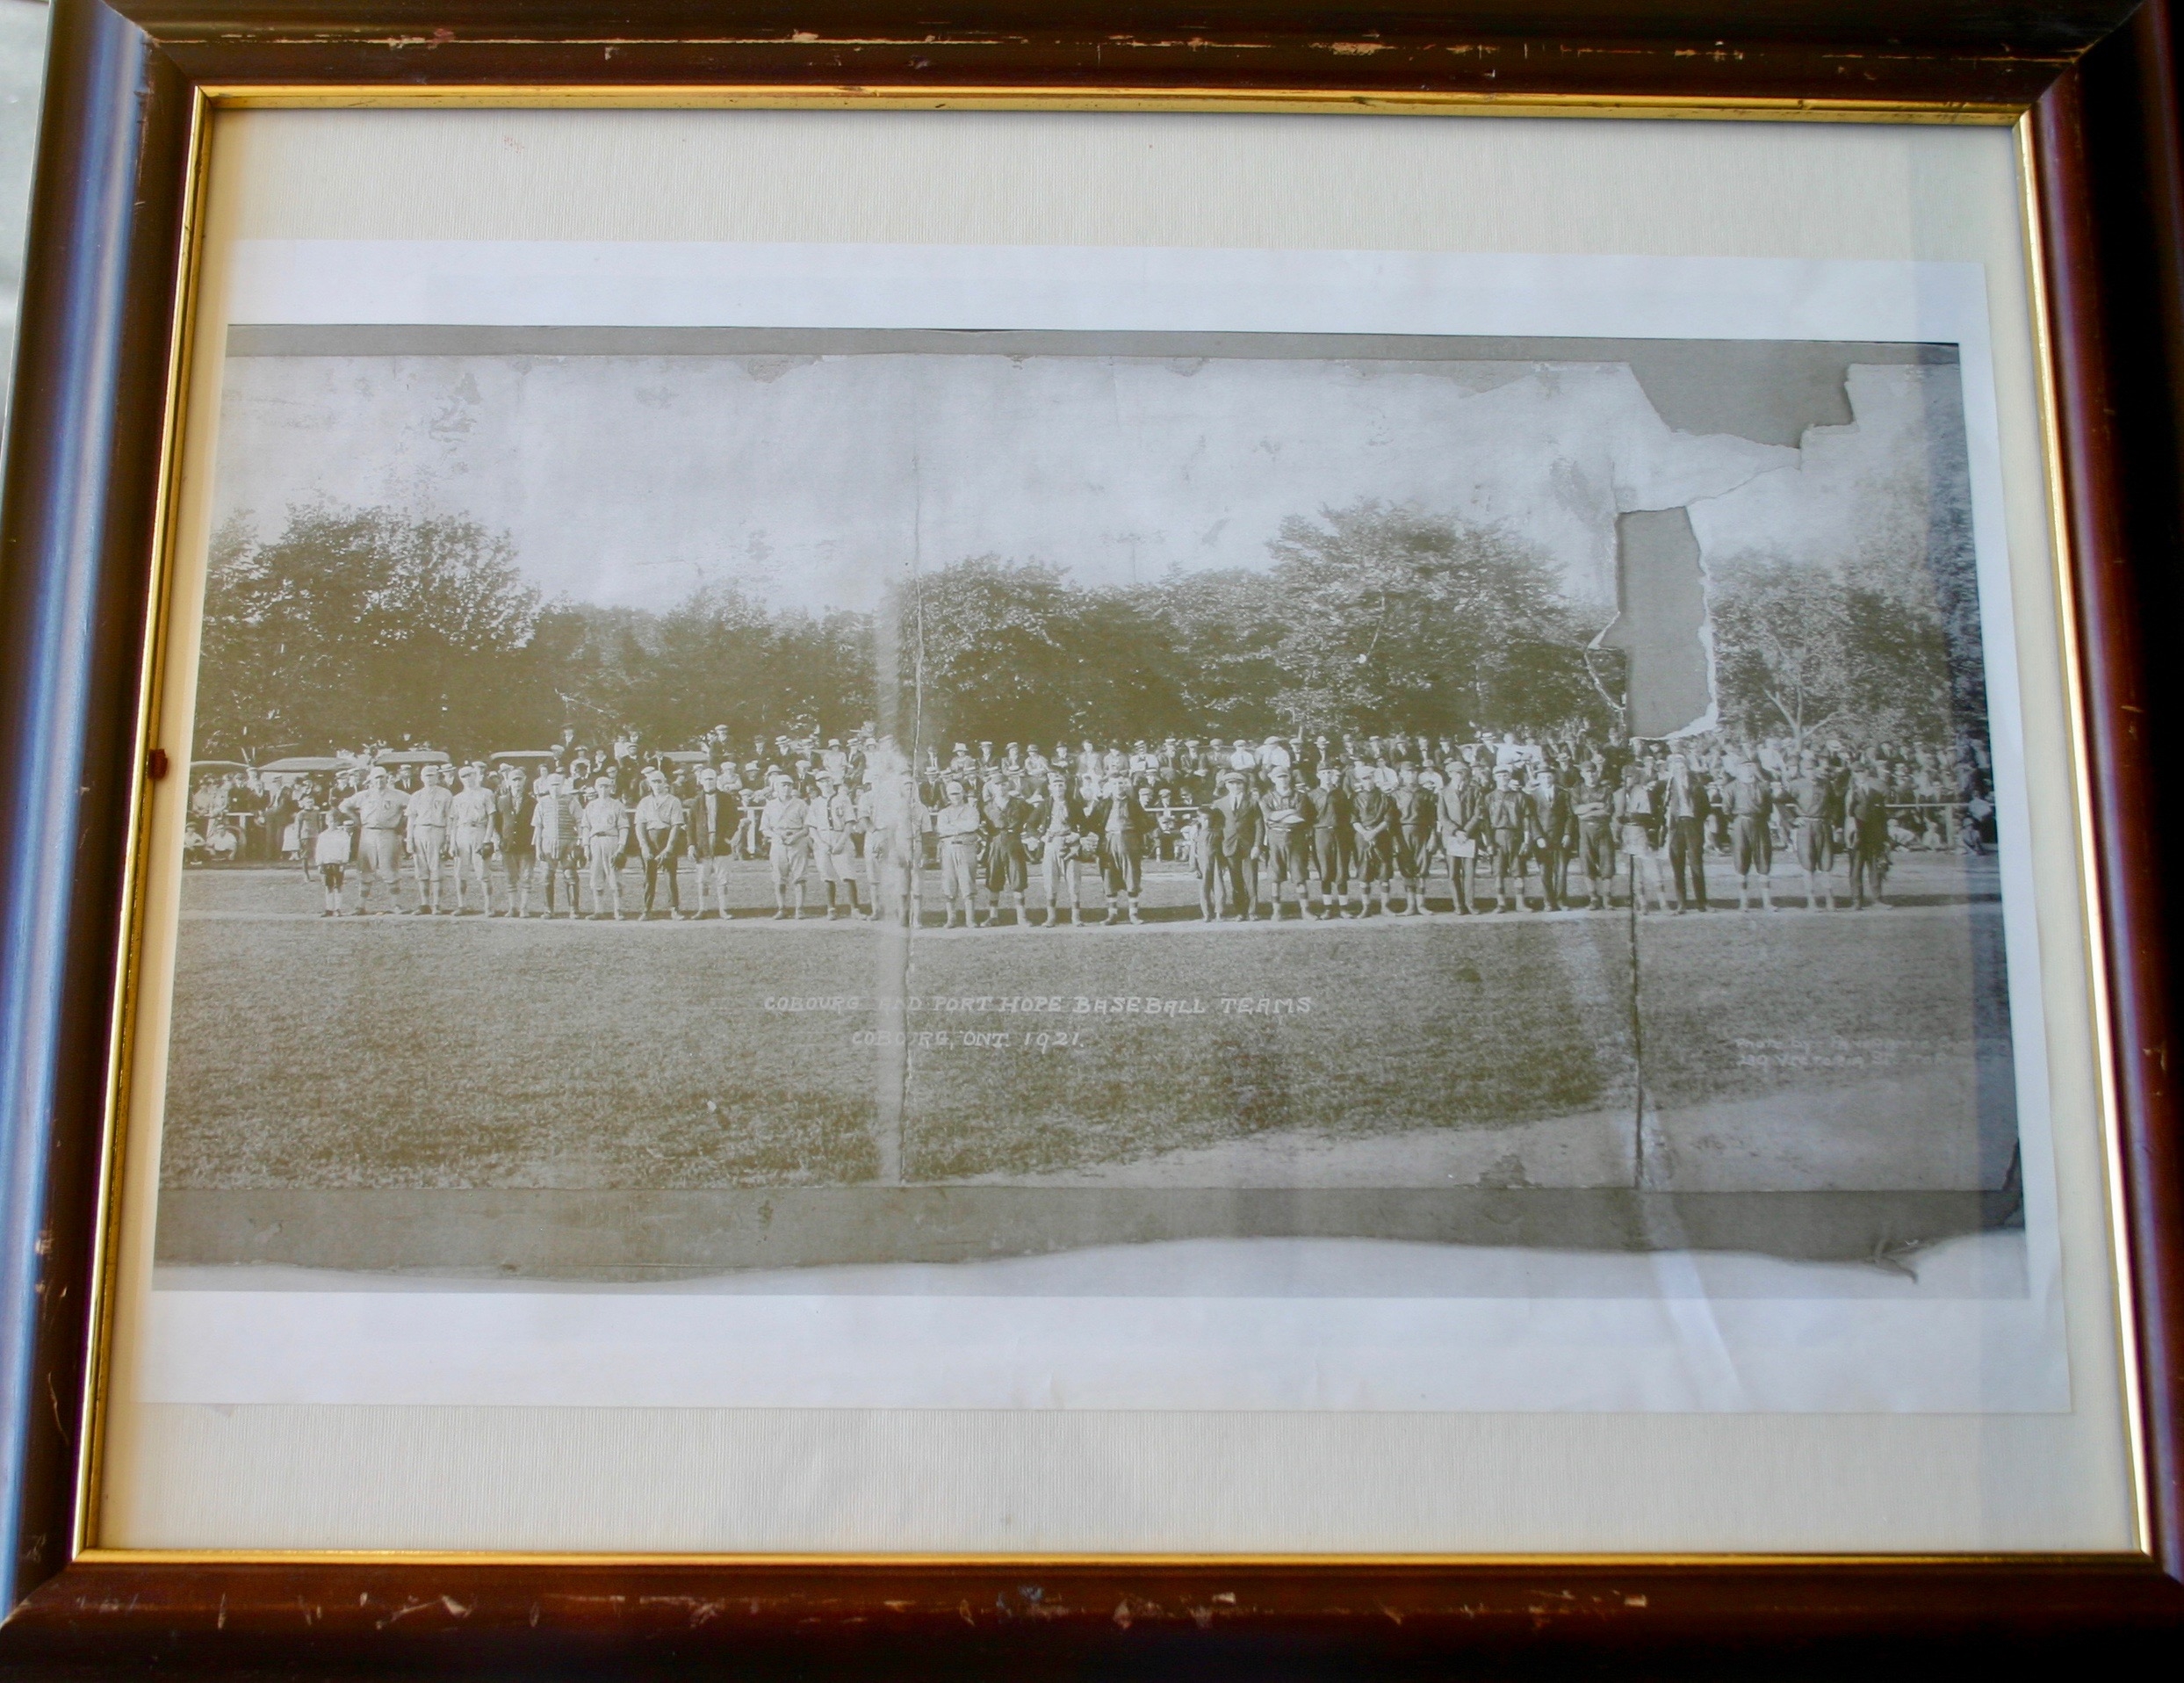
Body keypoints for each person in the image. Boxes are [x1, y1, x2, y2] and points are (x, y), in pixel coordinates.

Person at [336, 768, 406, 915]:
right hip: (368, 833)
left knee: (390, 868)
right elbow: (343, 806)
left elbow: (413, 806)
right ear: (371, 780)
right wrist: (356, 820)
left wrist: (402, 822)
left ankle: (396, 905)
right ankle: (360, 906)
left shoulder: (397, 795)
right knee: (365, 869)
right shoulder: (364, 795)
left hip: (388, 833)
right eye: (376, 778)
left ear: (387, 778)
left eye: (382, 778)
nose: (379, 781)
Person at [1089, 773, 1153, 923]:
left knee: (1132, 876)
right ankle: (1112, 914)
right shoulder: (1103, 804)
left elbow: (1147, 823)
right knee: (1109, 876)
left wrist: (1138, 837)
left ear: (1125, 786)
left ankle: (1133, 914)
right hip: (1109, 841)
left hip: (1129, 840)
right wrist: (1099, 836)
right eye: (1115, 784)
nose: (1118, 787)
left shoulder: (1133, 804)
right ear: (1110, 787)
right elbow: (1090, 823)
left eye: (1121, 783)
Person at [1030, 771, 1085, 927]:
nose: (1059, 788)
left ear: (1066, 787)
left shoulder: (1074, 804)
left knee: (1074, 882)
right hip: (1051, 843)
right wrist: (1041, 837)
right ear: (1050, 788)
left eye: (1061, 785)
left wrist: (1077, 835)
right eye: (1055, 785)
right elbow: (1030, 825)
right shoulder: (1045, 804)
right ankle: (1051, 917)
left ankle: (1076, 916)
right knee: (1050, 882)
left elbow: (1085, 824)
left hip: (1070, 843)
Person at [1782, 756, 1838, 911]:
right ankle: (1811, 901)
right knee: (1808, 864)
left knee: (1826, 864)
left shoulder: (1825, 784)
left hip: (1823, 825)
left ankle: (1829, 900)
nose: (1811, 772)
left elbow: (1835, 803)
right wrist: (1793, 819)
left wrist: (1832, 818)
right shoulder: (1796, 784)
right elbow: (1781, 802)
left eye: (1813, 768)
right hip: (1806, 827)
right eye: (1807, 769)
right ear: (1801, 770)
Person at [1258, 766, 1315, 920]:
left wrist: (1279, 817)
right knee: (1275, 876)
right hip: (1275, 838)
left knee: (1299, 874)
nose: (1282, 780)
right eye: (1279, 777)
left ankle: (1305, 909)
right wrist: (1291, 811)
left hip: (1296, 837)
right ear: (1273, 779)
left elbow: (1301, 817)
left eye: (1285, 777)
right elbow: (1269, 816)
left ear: (1289, 778)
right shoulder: (1267, 798)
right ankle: (1276, 910)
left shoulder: (1300, 797)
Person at [632, 766, 688, 920]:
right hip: (650, 839)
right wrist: (644, 846)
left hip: (666, 837)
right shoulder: (644, 802)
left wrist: (669, 847)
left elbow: (676, 825)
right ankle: (646, 909)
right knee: (649, 877)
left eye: (659, 781)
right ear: (649, 784)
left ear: (665, 783)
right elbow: (640, 825)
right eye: (653, 782)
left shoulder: (673, 801)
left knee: (670, 876)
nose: (656, 785)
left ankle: (675, 909)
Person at [1613, 763, 1669, 915]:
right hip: (1626, 835)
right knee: (1633, 871)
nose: (1627, 780)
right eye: (1624, 777)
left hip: (1642, 833)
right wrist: (1616, 835)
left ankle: (1663, 903)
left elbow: (1648, 815)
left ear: (1636, 778)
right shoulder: (1617, 794)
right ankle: (1642, 903)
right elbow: (1615, 818)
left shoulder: (1644, 793)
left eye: (1630, 777)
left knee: (1653, 869)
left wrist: (1633, 817)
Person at [1208, 769, 1263, 921]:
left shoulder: (1252, 802)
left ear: (1244, 785)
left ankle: (1252, 911)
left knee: (1251, 879)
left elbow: (1259, 825)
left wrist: (1257, 845)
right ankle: (1240, 911)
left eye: (1238, 783)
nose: (1235, 786)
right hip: (1229, 846)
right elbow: (1215, 826)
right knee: (1236, 880)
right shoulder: (1219, 803)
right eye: (1231, 783)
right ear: (1226, 785)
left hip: (1248, 846)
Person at [760, 770, 815, 920]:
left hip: (797, 841)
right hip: (778, 842)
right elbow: (764, 828)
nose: (787, 788)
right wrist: (777, 836)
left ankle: (800, 908)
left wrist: (796, 836)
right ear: (776, 787)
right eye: (783, 785)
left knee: (800, 876)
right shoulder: (770, 805)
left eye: (790, 785)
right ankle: (781, 908)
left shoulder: (800, 804)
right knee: (779, 877)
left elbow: (808, 826)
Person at [813, 770, 868, 921]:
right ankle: (831, 908)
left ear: (832, 781)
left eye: (828, 780)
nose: (826, 783)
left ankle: (855, 909)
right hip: (823, 838)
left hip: (840, 835)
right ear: (817, 784)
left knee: (848, 874)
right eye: (822, 781)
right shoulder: (816, 802)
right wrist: (820, 843)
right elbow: (811, 826)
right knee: (827, 875)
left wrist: (841, 842)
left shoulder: (843, 799)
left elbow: (850, 822)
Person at [685, 766, 738, 919]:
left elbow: (734, 820)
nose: (709, 782)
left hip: (721, 843)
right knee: (702, 879)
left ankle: (723, 909)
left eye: (712, 779)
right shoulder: (696, 802)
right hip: (703, 844)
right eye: (706, 779)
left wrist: (728, 838)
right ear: (701, 781)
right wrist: (691, 845)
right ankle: (703, 909)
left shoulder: (726, 799)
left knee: (722, 879)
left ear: (716, 780)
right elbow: (690, 826)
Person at [447, 763, 500, 915]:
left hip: (480, 831)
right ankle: (461, 904)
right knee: (460, 872)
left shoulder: (486, 793)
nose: (467, 779)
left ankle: (489, 906)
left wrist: (488, 839)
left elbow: (492, 817)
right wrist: (452, 843)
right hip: (462, 832)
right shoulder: (457, 798)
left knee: (483, 872)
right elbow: (454, 821)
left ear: (475, 776)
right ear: (460, 779)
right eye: (463, 776)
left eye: (470, 775)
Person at [979, 776, 1031, 928]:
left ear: (1008, 785)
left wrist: (1027, 835)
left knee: (1018, 878)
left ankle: (1022, 917)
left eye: (1003, 784)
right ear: (992, 788)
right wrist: (984, 836)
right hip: (995, 841)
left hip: (1014, 841)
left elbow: (1033, 821)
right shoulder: (986, 806)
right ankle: (993, 916)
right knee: (993, 878)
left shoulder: (1020, 804)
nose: (1001, 788)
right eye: (997, 785)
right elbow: (979, 825)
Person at [1661, 754, 1711, 914]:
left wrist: (1697, 820)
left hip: (1692, 824)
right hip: (1675, 827)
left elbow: (1706, 808)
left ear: (1687, 768)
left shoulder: (1696, 784)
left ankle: (1702, 903)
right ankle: (1681, 904)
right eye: (1675, 767)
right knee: (1677, 865)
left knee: (1696, 863)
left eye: (1682, 767)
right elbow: (1659, 805)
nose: (1679, 770)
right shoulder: (1667, 785)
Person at [403, 762, 455, 915]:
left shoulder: (445, 794)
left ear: (438, 777)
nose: (429, 778)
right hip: (420, 831)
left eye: (432, 775)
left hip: (437, 831)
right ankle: (424, 903)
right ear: (421, 777)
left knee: (437, 868)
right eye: (426, 775)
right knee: (421, 870)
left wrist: (448, 838)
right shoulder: (416, 795)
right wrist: (409, 840)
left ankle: (437, 904)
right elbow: (411, 819)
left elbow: (449, 817)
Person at [530, 770, 582, 919]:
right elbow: (538, 827)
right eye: (552, 785)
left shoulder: (572, 801)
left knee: (570, 875)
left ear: (563, 785)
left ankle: (574, 909)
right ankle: (548, 910)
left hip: (568, 842)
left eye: (558, 785)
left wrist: (580, 841)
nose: (555, 788)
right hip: (547, 842)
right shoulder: (542, 803)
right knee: (546, 876)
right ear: (547, 785)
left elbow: (580, 822)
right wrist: (538, 848)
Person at [933, 778, 983, 928]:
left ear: (963, 794)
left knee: (967, 881)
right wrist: (961, 827)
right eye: (952, 794)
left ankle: (970, 919)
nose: (955, 797)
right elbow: (941, 828)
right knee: (949, 882)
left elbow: (973, 825)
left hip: (965, 847)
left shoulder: (971, 810)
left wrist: (953, 827)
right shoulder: (944, 812)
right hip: (948, 847)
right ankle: (951, 918)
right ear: (948, 796)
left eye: (958, 793)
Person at [1390, 762, 1437, 916]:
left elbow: (1433, 819)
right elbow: (1392, 821)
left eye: (1413, 772)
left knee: (1422, 869)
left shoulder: (1426, 794)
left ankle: (1421, 904)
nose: (1411, 775)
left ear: (1417, 774)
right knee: (1407, 869)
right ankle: (1410, 905)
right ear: (1401, 775)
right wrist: (1395, 840)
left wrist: (1433, 837)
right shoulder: (1395, 795)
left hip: (1422, 831)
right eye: (1407, 772)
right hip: (1402, 833)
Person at [580, 774, 631, 919]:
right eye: (601, 786)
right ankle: (599, 910)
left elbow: (623, 827)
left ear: (612, 788)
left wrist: (621, 847)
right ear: (596, 788)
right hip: (595, 841)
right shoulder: (591, 806)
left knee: (615, 875)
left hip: (611, 840)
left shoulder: (617, 805)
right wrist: (586, 846)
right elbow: (585, 827)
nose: (603, 789)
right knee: (596, 875)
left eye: (606, 786)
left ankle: (618, 909)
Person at [1308, 762, 1353, 919]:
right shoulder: (1312, 795)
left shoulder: (1340, 794)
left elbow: (1348, 815)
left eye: (1329, 772)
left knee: (1342, 870)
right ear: (1318, 775)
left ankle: (1344, 908)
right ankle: (1327, 908)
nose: (1327, 775)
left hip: (1340, 834)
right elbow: (1307, 818)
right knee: (1325, 871)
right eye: (1324, 773)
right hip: (1321, 834)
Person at [1350, 768, 1397, 917]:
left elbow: (1388, 819)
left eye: (1370, 778)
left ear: (1374, 779)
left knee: (1384, 873)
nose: (1368, 781)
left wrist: (1374, 832)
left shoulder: (1386, 798)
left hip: (1382, 836)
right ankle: (1366, 906)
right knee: (1364, 872)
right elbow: (1354, 820)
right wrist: (1365, 833)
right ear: (1360, 781)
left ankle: (1385, 906)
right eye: (1364, 779)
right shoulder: (1355, 799)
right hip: (1362, 838)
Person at [1436, 763, 1482, 914]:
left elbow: (1478, 814)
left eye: (1462, 773)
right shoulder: (1443, 792)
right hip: (1451, 837)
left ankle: (1470, 904)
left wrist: (1466, 831)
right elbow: (1442, 816)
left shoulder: (1474, 791)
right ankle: (1458, 905)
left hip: (1469, 836)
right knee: (1453, 873)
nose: (1459, 776)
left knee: (1469, 873)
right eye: (1455, 773)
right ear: (1449, 774)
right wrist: (1456, 831)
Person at [1844, 769, 1893, 909]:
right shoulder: (1849, 794)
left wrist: (1884, 836)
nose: (1860, 775)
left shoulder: (1875, 794)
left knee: (1875, 868)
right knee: (1855, 869)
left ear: (1867, 774)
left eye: (1862, 772)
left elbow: (1882, 816)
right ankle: (1856, 901)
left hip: (1873, 836)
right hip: (1857, 836)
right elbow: (1846, 816)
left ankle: (1877, 900)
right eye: (1857, 772)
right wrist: (1848, 835)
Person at [1528, 764, 1575, 912]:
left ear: (1553, 777)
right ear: (1538, 779)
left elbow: (1570, 816)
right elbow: (1532, 818)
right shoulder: (1533, 795)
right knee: (1544, 871)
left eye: (1549, 776)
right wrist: (1538, 837)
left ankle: (1561, 900)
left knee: (1561, 871)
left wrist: (1568, 834)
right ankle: (1548, 902)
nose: (1546, 780)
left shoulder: (1563, 793)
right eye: (1542, 777)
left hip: (1560, 838)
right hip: (1542, 839)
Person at [1571, 762, 1615, 911]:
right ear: (1582, 774)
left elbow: (1607, 811)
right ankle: (1594, 898)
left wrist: (1587, 813)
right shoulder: (1577, 790)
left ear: (1597, 773)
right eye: (1587, 772)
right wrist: (1596, 805)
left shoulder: (1606, 789)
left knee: (1607, 864)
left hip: (1603, 829)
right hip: (1585, 831)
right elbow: (1577, 810)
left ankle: (1607, 899)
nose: (1590, 775)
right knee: (1587, 864)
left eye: (1593, 772)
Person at [1484, 769, 1529, 913]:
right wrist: (1489, 843)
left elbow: (1526, 819)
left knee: (1518, 872)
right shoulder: (1489, 797)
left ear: (1510, 777)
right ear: (1494, 778)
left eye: (1505, 775)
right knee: (1498, 872)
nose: (1502, 778)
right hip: (1497, 836)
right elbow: (1485, 822)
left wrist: (1526, 841)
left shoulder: (1519, 796)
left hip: (1515, 835)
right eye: (1499, 775)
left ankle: (1520, 903)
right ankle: (1501, 903)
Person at [494, 766, 537, 917]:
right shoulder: (501, 801)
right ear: (508, 782)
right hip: (508, 845)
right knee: (510, 878)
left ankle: (524, 907)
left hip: (527, 845)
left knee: (526, 878)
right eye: (514, 780)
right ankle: (512, 907)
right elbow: (497, 823)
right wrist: (501, 838)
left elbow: (536, 824)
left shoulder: (532, 802)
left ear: (525, 781)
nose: (517, 783)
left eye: (520, 780)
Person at [311, 805, 353, 917]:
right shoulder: (323, 835)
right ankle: (329, 908)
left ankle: (338, 908)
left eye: (334, 821)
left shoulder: (343, 835)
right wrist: (319, 863)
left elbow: (346, 849)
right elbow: (319, 850)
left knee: (338, 886)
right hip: (326, 863)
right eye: (330, 821)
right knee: (328, 886)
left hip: (338, 863)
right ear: (326, 822)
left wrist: (344, 862)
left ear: (338, 822)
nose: (332, 824)